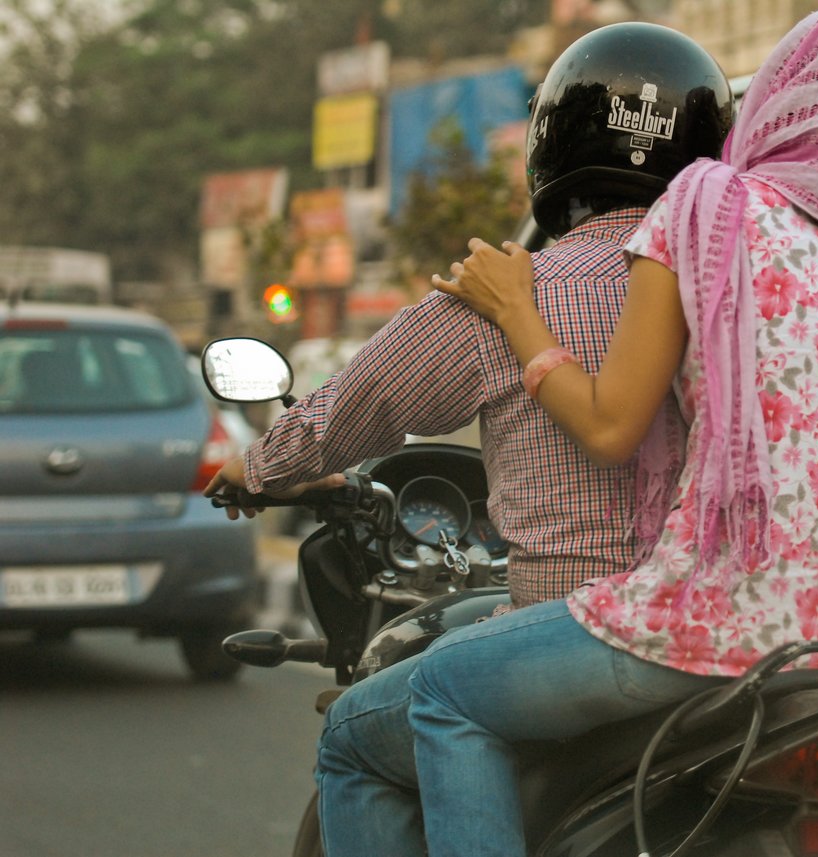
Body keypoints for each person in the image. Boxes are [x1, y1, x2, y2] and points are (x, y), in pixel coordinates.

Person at [425, 5, 818, 855]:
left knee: (443, 694)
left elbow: (610, 427)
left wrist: (519, 312)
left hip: (726, 620)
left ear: (776, 99)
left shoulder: (709, 202)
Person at [202, 21, 734, 857]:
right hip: (736, 624)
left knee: (354, 734)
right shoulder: (750, 284)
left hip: (586, 628)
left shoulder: (508, 292)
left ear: (552, 146)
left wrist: (258, 466)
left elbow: (360, 404)